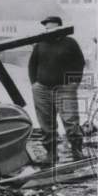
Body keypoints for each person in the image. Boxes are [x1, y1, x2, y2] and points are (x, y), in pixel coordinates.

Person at [29, 16, 85, 164]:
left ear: (60, 28)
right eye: (46, 29)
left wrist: (73, 83)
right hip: (42, 88)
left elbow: (80, 63)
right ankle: (51, 155)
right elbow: (32, 65)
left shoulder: (70, 43)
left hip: (65, 88)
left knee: (70, 121)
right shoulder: (40, 44)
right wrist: (34, 83)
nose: (48, 31)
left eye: (51, 28)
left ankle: (77, 151)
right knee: (46, 124)